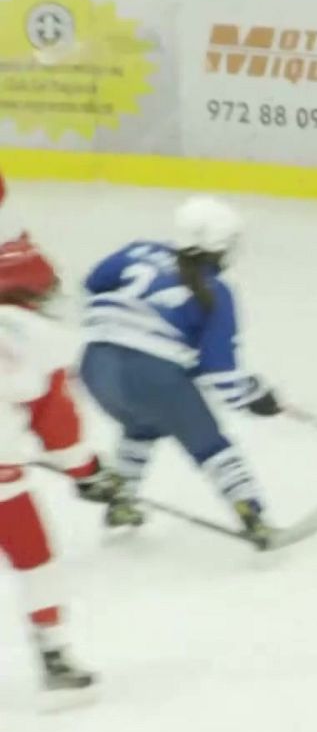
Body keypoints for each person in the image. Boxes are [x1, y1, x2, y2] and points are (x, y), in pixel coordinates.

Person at [80, 196, 294, 549]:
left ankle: (121, 502)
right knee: (211, 446)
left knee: (140, 425)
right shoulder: (216, 291)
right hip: (155, 377)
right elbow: (220, 374)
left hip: (94, 366)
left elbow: (93, 283)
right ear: (222, 246)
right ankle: (253, 516)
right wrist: (256, 398)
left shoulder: (137, 251)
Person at [0, 234, 124, 698]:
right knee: (36, 562)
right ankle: (53, 655)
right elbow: (58, 427)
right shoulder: (40, 338)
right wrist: (86, 470)